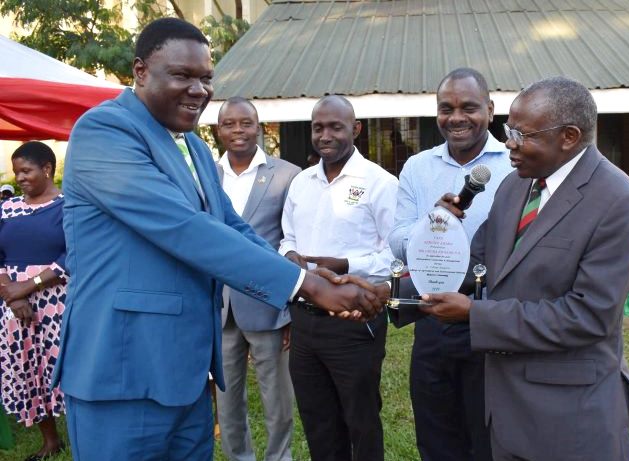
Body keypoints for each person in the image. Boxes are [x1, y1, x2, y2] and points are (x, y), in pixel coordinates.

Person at [55, 18, 383, 461]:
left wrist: (303, 271)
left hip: (188, 376)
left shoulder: (191, 147)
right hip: (122, 371)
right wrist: (306, 287)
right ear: (139, 71)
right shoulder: (104, 132)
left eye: (206, 78)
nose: (198, 90)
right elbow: (183, 228)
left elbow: (231, 226)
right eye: (182, 76)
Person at [422, 76, 629, 460]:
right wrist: (395, 290)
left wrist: (476, 315)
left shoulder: (617, 200)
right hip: (506, 407)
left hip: (569, 415)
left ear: (569, 136)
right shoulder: (515, 185)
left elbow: (588, 315)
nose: (509, 143)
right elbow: (477, 263)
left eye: (520, 134)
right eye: (508, 130)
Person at [388, 68, 511, 461]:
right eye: (447, 108)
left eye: (469, 107)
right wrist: (432, 225)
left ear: (490, 111)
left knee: (487, 435)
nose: (456, 117)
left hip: (488, 316)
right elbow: (396, 239)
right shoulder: (417, 168)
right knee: (436, 435)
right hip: (432, 318)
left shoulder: (515, 164)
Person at [279, 95, 398, 461]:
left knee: (360, 421)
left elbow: (395, 255)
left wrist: (345, 265)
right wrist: (290, 256)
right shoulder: (300, 183)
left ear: (356, 129)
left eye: (335, 127)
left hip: (353, 320)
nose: (325, 135)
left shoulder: (380, 183)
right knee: (317, 420)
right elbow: (287, 237)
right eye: (318, 128)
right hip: (304, 322)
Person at [215, 96, 300, 461]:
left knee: (277, 398)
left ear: (259, 127)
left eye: (245, 123)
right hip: (218, 306)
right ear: (218, 131)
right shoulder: (205, 175)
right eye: (229, 124)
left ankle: (279, 457)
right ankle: (239, 457)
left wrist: (289, 307)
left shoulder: (287, 174)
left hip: (267, 304)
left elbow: (293, 241)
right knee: (226, 398)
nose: (238, 130)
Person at [0, 142, 66, 461]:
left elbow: (72, 255)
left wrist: (27, 285)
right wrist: (10, 293)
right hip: (13, 305)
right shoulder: (7, 208)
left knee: (65, 367)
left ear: (47, 169)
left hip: (57, 302)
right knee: (27, 368)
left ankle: (86, 435)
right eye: (17, 173)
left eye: (26, 170)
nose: (20, 178)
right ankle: (50, 441)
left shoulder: (69, 207)